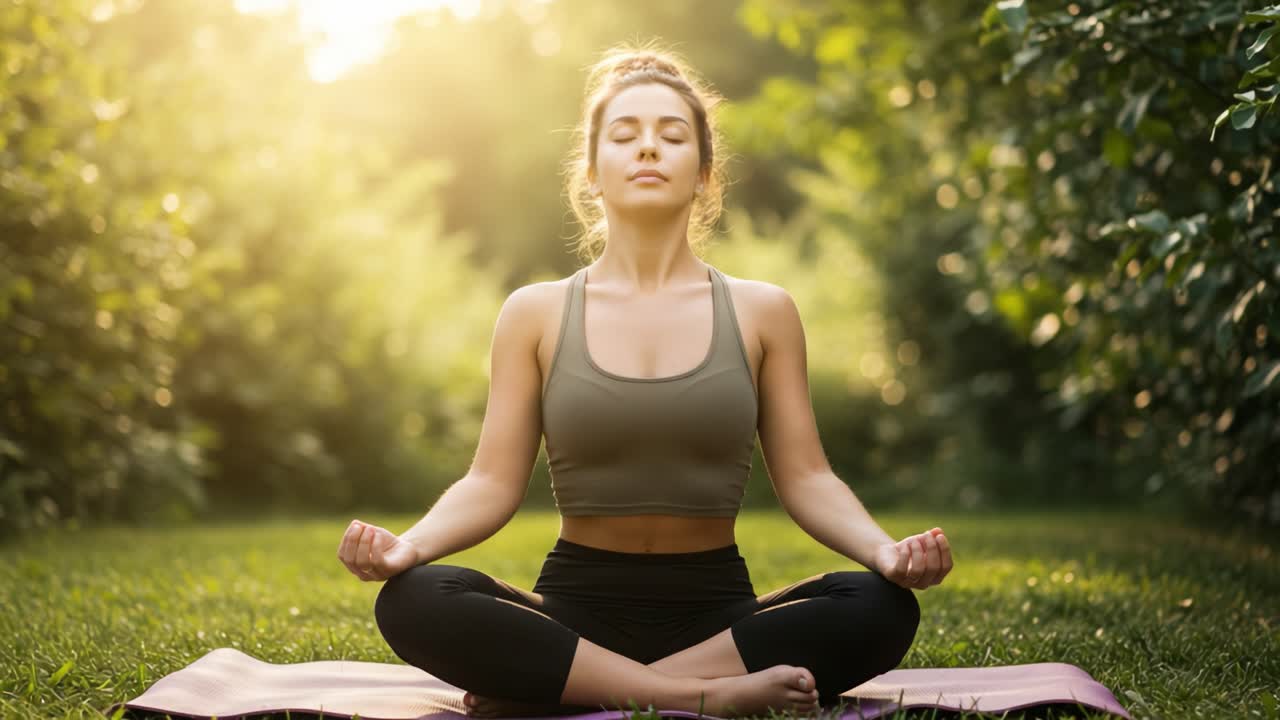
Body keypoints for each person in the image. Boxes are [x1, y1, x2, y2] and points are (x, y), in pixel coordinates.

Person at [337, 43, 953, 719]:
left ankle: (560, 690)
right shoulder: (535, 314)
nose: (649, 149)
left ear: (704, 172)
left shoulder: (764, 312)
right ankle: (697, 698)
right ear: (593, 173)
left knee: (878, 605)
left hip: (719, 619)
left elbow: (807, 478)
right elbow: (490, 482)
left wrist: (885, 553)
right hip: (575, 612)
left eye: (673, 136)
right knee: (416, 598)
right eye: (625, 136)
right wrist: (410, 547)